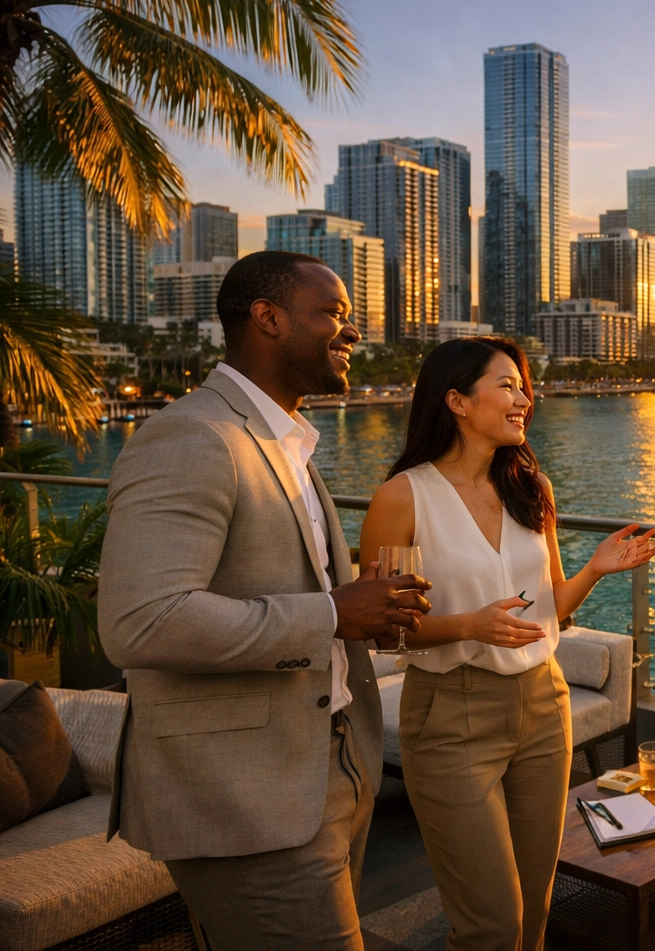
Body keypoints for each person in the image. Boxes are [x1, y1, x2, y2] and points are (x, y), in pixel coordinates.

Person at [99, 252, 434, 950]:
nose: (351, 333)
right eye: (334, 314)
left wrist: (359, 610)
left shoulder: (289, 445)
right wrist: (337, 614)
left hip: (332, 760)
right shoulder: (192, 437)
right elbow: (142, 622)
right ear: (269, 319)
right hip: (244, 793)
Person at [358, 338, 655, 951]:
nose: (525, 399)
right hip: (449, 715)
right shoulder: (403, 497)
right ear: (456, 401)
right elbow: (382, 627)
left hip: (543, 706)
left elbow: (550, 608)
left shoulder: (532, 488)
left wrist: (595, 570)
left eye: (525, 387)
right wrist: (468, 625)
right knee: (489, 925)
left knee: (534, 911)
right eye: (507, 385)